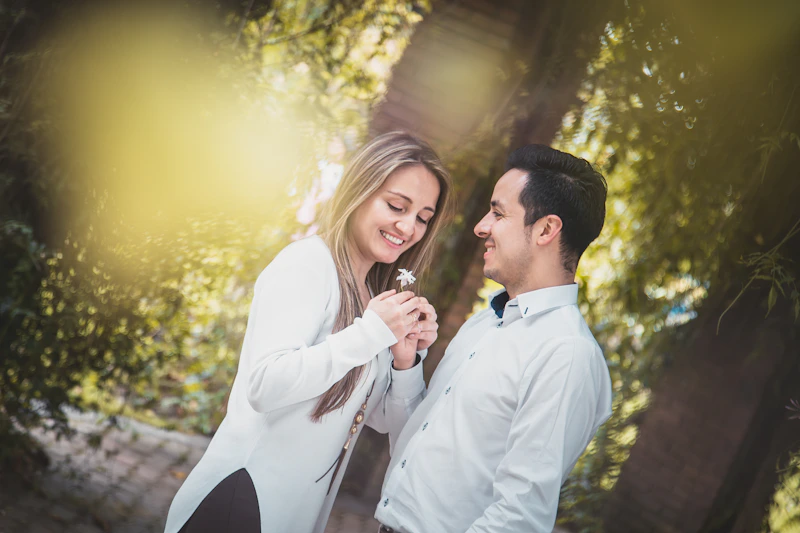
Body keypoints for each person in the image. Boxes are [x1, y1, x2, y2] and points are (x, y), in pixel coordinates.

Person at [164, 131, 453, 533]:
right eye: (396, 206)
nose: (408, 227)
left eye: (423, 218)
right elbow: (265, 385)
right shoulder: (307, 265)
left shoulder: (370, 296)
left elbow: (385, 423)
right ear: (359, 190)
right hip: (241, 504)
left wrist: (405, 360)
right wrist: (370, 333)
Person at [375, 144, 614, 533]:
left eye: (498, 213)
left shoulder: (566, 354)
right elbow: (416, 442)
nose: (481, 226)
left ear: (546, 229)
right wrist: (406, 364)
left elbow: (519, 517)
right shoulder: (487, 323)